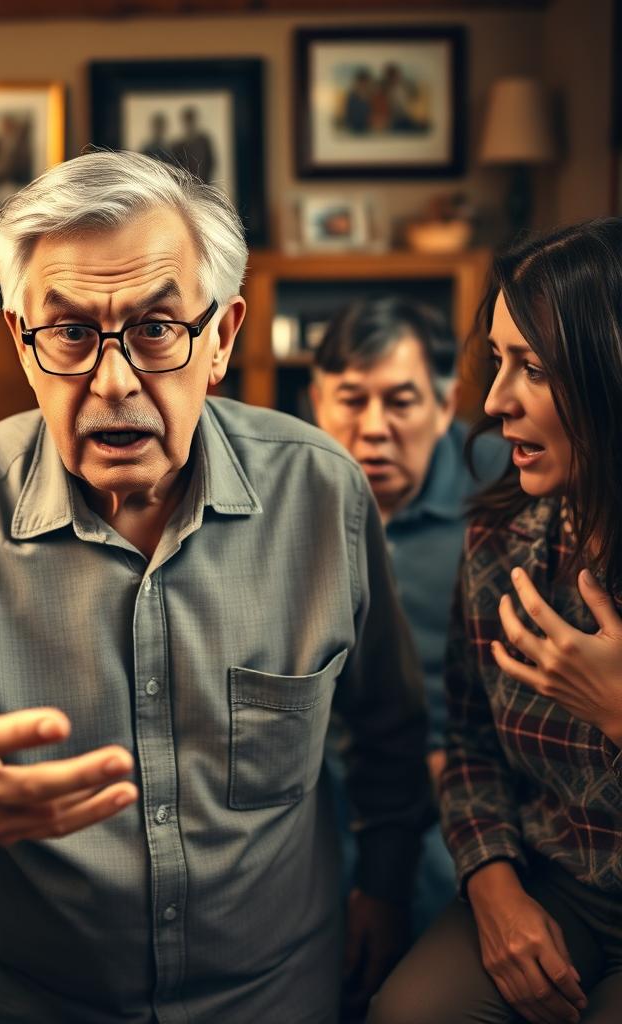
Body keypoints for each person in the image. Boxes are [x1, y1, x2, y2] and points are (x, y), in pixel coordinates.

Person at [0, 150, 431, 1023]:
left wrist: (388, 889)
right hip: (26, 1001)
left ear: (222, 338)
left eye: (156, 329)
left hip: (276, 992)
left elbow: (391, 739)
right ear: (21, 344)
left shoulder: (323, 494)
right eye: (68, 334)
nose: (113, 381)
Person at [369, 219, 622, 1024]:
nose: (493, 400)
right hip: (557, 880)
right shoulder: (504, 538)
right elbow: (471, 742)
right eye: (499, 359)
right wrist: (493, 888)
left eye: (533, 369)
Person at [310, 297, 507, 934]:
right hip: (314, 776)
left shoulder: (509, 488)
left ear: (446, 405)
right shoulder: (278, 480)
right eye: (351, 398)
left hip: (462, 779)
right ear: (317, 400)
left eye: (400, 402)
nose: (373, 428)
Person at [171, 105, 215, 183]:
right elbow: (176, 166)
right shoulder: (178, 145)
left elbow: (211, 162)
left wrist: (206, 180)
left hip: (203, 183)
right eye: (187, 120)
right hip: (187, 184)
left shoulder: (203, 141)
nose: (189, 124)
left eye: (190, 120)